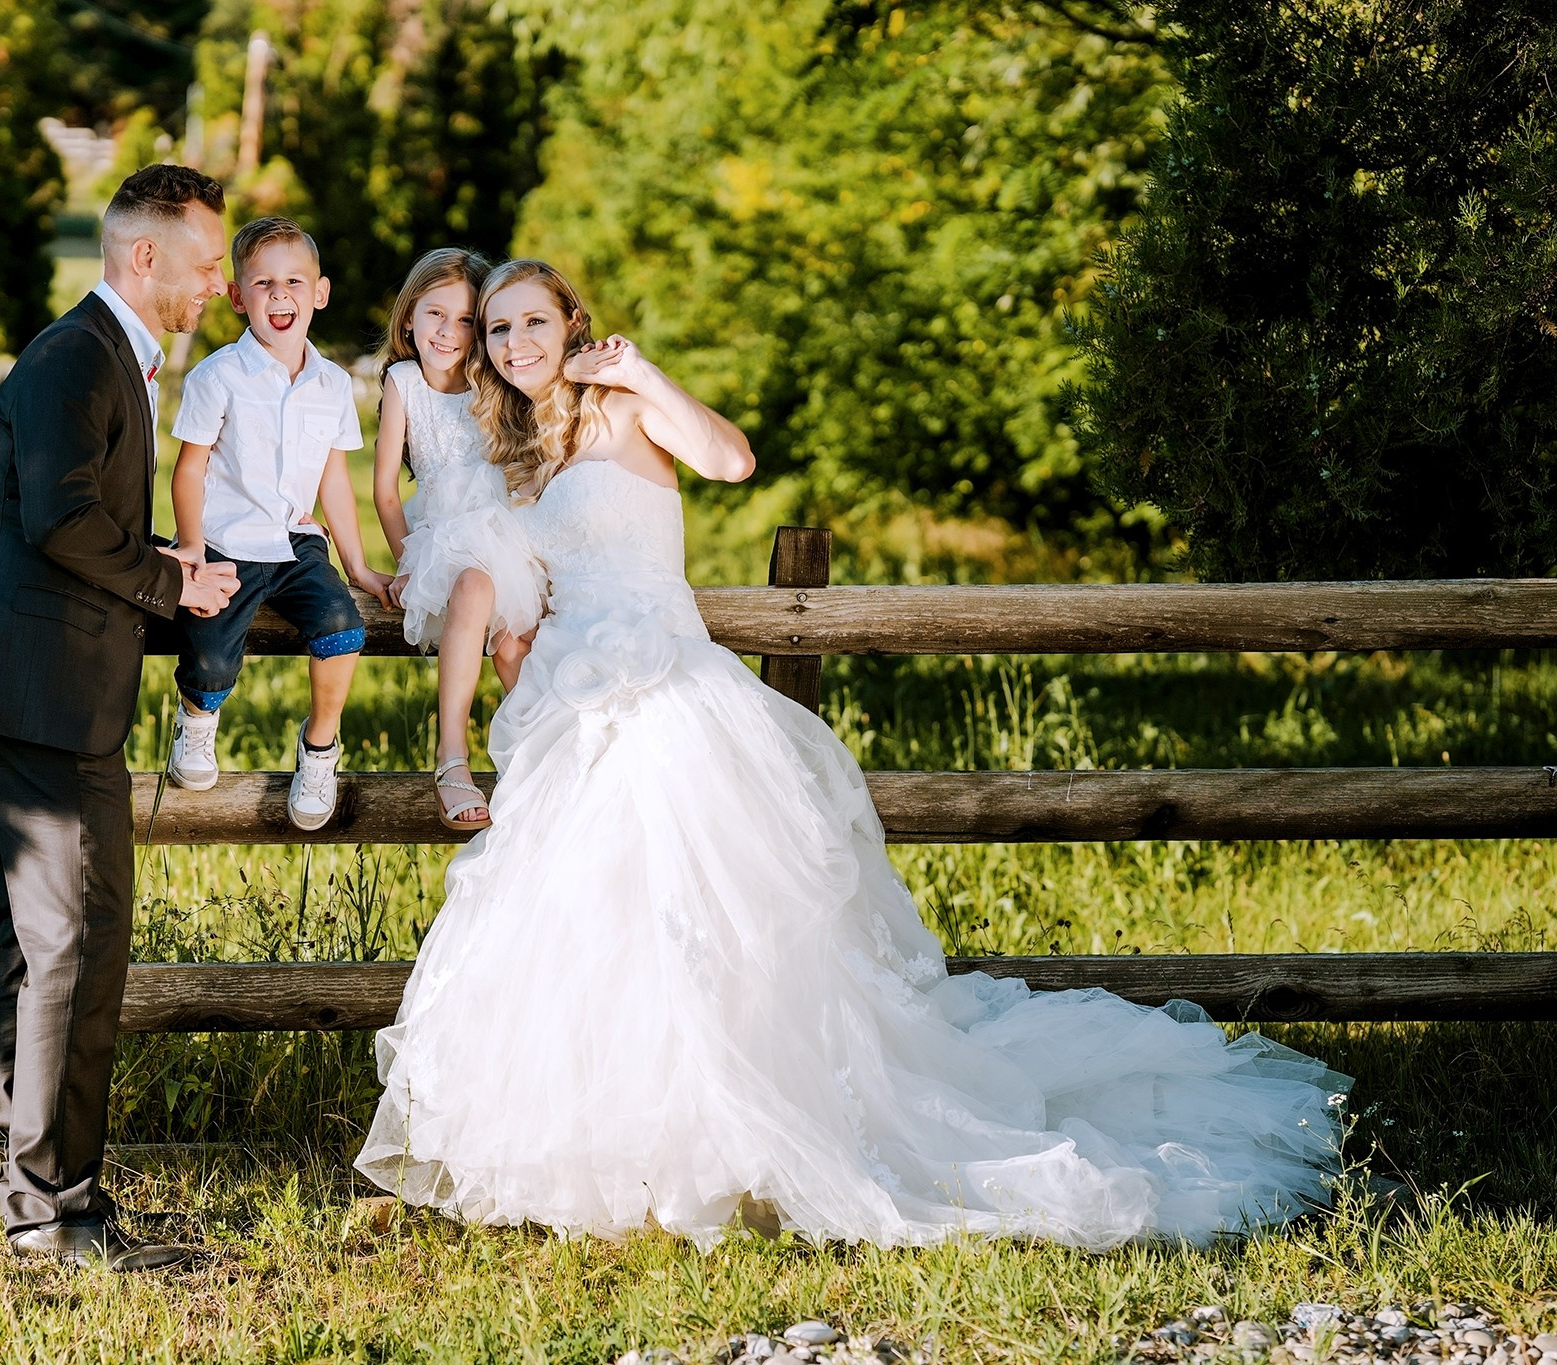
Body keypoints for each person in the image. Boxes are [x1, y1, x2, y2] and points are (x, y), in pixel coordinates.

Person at [354, 259, 1350, 1251]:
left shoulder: (622, 406)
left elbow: (730, 462)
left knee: (699, 928)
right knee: (583, 923)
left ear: (572, 323)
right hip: (571, 700)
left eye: (531, 321)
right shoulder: (517, 448)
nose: (513, 344)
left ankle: (735, 1144)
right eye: (496, 331)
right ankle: (616, 1154)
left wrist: (647, 372)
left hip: (663, 683)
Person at [0, 164, 240, 1270]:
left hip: (45, 688)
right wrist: (172, 585)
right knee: (76, 947)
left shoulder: (111, 360)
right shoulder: (74, 359)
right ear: (142, 257)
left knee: (44, 949)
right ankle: (57, 1215)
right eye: (204, 264)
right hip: (40, 695)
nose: (218, 286)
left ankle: (39, 1202)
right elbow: (56, 519)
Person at [164, 216, 396, 830]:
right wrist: (190, 547)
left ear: (319, 292)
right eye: (263, 283)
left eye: (295, 280)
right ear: (238, 298)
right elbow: (189, 471)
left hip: (296, 545)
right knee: (212, 661)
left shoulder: (333, 384)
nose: (280, 294)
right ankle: (195, 722)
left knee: (343, 626)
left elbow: (333, 480)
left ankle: (320, 746)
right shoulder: (217, 376)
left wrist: (358, 565)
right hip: (226, 541)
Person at [371, 248, 544, 830]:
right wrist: (406, 563)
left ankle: (543, 765)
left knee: (515, 644)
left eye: (467, 320)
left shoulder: (491, 381)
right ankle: (451, 757)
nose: (449, 332)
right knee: (472, 588)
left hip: (507, 527)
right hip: (442, 539)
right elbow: (387, 492)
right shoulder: (404, 383)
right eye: (434, 314)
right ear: (408, 319)